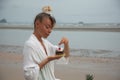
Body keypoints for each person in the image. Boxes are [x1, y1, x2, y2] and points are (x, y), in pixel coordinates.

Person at [23, 12, 70, 80]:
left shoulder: (46, 43)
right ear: (37, 24)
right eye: (47, 27)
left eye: (51, 28)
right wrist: (48, 59)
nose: (50, 31)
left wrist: (66, 44)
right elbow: (29, 75)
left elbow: (65, 55)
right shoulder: (30, 45)